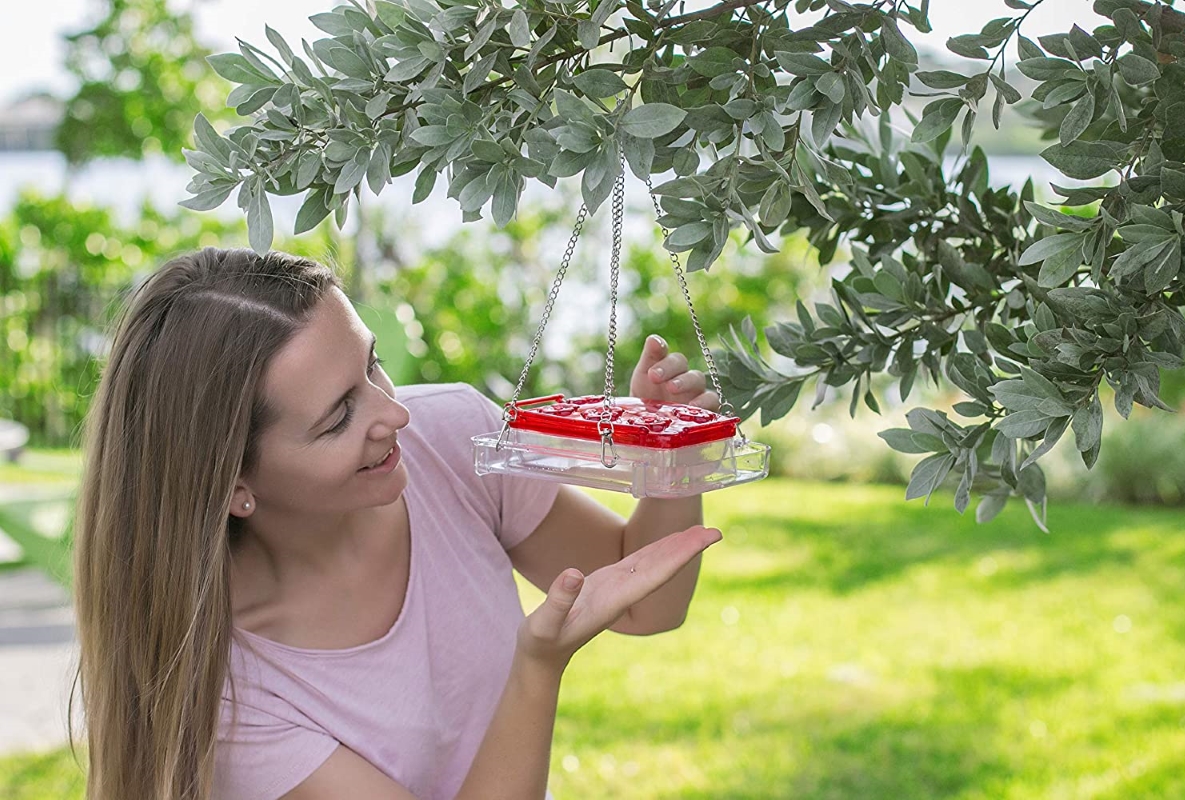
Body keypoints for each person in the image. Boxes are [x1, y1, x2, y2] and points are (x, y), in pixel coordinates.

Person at [73, 247, 724, 800]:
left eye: (372, 364)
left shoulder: (451, 437)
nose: (395, 414)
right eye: (338, 416)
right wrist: (538, 665)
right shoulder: (233, 694)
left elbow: (651, 605)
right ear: (233, 486)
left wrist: (673, 449)